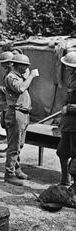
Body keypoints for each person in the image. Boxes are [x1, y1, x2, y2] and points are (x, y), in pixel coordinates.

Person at [3, 54, 39, 186]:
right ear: (18, 65)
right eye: (25, 65)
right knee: (14, 146)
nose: (27, 68)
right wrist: (31, 76)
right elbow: (20, 88)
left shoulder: (19, 76)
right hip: (16, 113)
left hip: (23, 113)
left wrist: (27, 76)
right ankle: (9, 174)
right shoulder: (11, 77)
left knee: (20, 144)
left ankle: (16, 169)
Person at [57, 52, 76, 189]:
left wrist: (69, 108)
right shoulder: (72, 79)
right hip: (67, 125)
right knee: (62, 152)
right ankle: (65, 181)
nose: (67, 69)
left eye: (70, 67)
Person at [0, 51, 14, 153]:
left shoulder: (14, 74)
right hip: (5, 103)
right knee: (4, 124)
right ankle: (9, 145)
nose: (1, 65)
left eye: (3, 62)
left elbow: (14, 90)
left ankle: (11, 148)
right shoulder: (7, 72)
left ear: (9, 62)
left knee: (10, 126)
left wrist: (0, 89)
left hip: (11, 105)